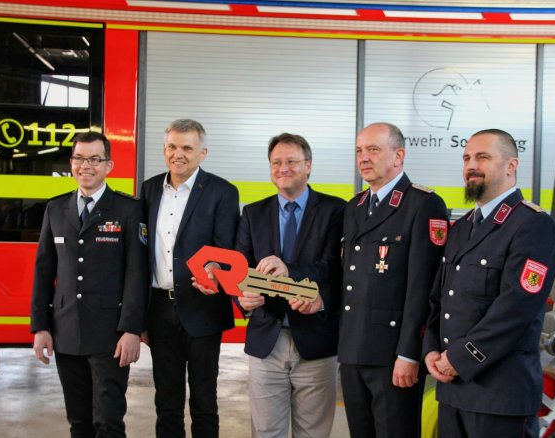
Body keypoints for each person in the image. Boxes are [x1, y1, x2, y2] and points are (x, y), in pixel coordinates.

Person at [422, 129, 555, 438]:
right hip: (452, 390)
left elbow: (517, 308)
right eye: (466, 158)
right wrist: (431, 349)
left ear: (511, 165)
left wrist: (459, 358)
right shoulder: (461, 228)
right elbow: (440, 299)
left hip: (499, 397)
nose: (471, 165)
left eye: (482, 157)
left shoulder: (533, 225)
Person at [30, 131, 149, 438]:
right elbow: (44, 272)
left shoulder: (127, 209)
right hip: (66, 332)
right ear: (71, 163)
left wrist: (131, 329)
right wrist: (40, 327)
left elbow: (136, 274)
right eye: (79, 158)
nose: (86, 166)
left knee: (108, 423)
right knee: (78, 423)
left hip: (110, 336)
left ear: (108, 165)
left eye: (95, 159)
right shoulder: (56, 209)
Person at [227, 133, 345, 438]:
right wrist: (242, 299)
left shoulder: (335, 210)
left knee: (313, 433)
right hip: (267, 339)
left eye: (291, 161)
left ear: (308, 166)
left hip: (317, 341)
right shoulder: (252, 213)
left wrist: (288, 271)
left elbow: (334, 267)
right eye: (276, 162)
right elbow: (240, 270)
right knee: (266, 432)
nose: (283, 168)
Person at [338, 122, 449, 438]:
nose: (363, 158)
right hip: (353, 349)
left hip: (393, 355)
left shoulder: (423, 204)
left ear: (398, 156)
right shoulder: (356, 206)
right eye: (359, 150)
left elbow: (423, 289)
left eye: (373, 149)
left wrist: (409, 353)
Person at [140, 119, 240, 438]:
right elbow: (141, 252)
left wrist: (214, 273)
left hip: (202, 306)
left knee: (204, 400)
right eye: (172, 146)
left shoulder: (223, 192)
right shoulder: (149, 189)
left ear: (202, 153)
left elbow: (226, 248)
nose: (178, 154)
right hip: (159, 309)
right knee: (166, 402)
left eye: (187, 148)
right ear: (164, 149)